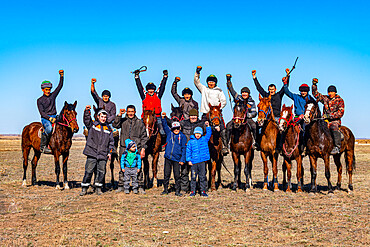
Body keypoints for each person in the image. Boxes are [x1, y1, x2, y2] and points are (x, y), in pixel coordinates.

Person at [113, 105, 148, 194]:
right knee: (123, 167)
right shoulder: (123, 121)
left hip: (136, 149)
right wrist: (119, 115)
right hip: (124, 148)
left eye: (132, 111)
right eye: (129, 112)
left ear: (135, 112)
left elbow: (144, 137)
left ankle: (140, 186)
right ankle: (121, 185)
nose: (130, 113)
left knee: (138, 168)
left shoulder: (140, 123)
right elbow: (115, 125)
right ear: (127, 112)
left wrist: (143, 148)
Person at [194, 66, 228, 155]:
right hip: (206, 113)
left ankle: (225, 146)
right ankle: (198, 145)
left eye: (213, 82)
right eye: (209, 82)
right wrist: (197, 72)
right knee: (200, 128)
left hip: (216, 113)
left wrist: (218, 109)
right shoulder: (204, 89)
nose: (211, 83)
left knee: (223, 129)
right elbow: (196, 82)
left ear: (215, 83)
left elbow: (224, 101)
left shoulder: (219, 90)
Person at [80, 107, 115, 196]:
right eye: (102, 116)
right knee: (88, 171)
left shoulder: (108, 129)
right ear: (98, 117)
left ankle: (98, 188)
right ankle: (84, 188)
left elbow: (111, 142)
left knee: (101, 172)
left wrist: (110, 152)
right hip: (92, 152)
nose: (103, 118)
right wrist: (87, 112)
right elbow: (86, 120)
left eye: (105, 117)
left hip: (103, 154)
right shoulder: (93, 125)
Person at [282, 72, 315, 153]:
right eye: (302, 91)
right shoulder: (296, 97)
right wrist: (285, 84)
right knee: (285, 128)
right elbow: (287, 92)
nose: (303, 92)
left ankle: (304, 147)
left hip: (306, 119)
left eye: (305, 91)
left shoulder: (311, 99)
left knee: (305, 129)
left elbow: (314, 108)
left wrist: (305, 116)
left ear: (307, 91)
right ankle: (282, 147)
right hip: (296, 118)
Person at [312, 78, 345, 155]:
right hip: (325, 120)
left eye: (332, 92)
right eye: (329, 92)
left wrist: (329, 116)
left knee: (333, 127)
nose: (330, 93)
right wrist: (314, 85)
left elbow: (341, 112)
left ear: (335, 92)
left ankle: (337, 147)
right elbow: (316, 94)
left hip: (334, 121)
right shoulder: (325, 98)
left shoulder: (340, 100)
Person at [226, 74, 258, 149]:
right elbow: (231, 90)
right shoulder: (238, 98)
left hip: (247, 119)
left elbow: (254, 112)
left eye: (245, 92)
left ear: (248, 94)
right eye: (243, 92)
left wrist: (247, 115)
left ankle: (256, 142)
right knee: (228, 126)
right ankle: (227, 144)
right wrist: (228, 80)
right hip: (237, 118)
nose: (244, 94)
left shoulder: (251, 101)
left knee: (254, 126)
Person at [134, 69, 168, 136]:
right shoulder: (144, 96)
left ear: (154, 89)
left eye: (152, 89)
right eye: (149, 89)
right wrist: (137, 77)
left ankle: (163, 145)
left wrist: (165, 76)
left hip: (157, 116)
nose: (151, 91)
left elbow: (162, 86)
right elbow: (139, 87)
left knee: (162, 131)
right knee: (138, 131)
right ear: (147, 90)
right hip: (146, 117)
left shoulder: (158, 95)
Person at [37, 70, 64, 154]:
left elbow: (60, 86)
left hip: (54, 115)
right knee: (49, 129)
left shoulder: (53, 96)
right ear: (42, 90)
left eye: (49, 89)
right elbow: (42, 113)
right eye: (46, 89)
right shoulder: (39, 100)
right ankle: (43, 147)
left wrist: (61, 76)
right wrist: (49, 118)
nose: (48, 91)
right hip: (45, 118)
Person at [179, 108, 206, 193]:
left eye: (194, 116)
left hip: (198, 152)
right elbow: (174, 125)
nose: (193, 117)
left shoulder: (201, 124)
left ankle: (201, 188)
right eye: (191, 116)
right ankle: (184, 188)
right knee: (184, 170)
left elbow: (206, 134)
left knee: (201, 172)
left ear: (197, 116)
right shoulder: (184, 123)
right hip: (186, 149)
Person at [161, 112, 187, 196]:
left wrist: (182, 159)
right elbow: (164, 125)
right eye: (174, 128)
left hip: (177, 159)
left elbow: (184, 148)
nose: (176, 130)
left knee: (177, 175)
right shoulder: (169, 134)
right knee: (166, 174)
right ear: (172, 128)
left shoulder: (182, 137)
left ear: (180, 128)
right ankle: (165, 190)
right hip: (168, 158)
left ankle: (177, 191)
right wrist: (163, 118)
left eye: (177, 128)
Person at [186, 122, 212, 197]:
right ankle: (193, 191)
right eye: (196, 133)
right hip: (194, 162)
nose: (197, 135)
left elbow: (209, 134)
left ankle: (203, 191)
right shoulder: (191, 142)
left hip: (202, 162)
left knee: (202, 177)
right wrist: (189, 160)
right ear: (194, 134)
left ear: (201, 134)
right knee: (193, 177)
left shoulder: (204, 139)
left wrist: (208, 126)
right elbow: (188, 151)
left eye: (199, 133)